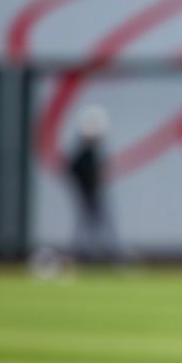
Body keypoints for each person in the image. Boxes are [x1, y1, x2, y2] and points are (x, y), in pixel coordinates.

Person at [65, 104, 120, 264]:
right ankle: (86, 255)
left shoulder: (89, 154)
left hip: (92, 193)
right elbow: (76, 171)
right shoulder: (82, 155)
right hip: (88, 193)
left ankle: (101, 254)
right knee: (88, 224)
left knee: (96, 223)